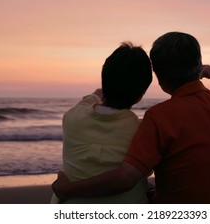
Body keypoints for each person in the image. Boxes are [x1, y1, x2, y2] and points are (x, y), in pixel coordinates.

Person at [53, 32, 210, 203]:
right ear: (198, 64)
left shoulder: (159, 117)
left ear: (159, 78)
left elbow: (125, 178)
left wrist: (68, 189)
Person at [51, 42, 153, 203]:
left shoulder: (72, 117)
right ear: (140, 95)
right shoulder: (142, 131)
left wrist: (107, 88)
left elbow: (93, 96)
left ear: (104, 81)